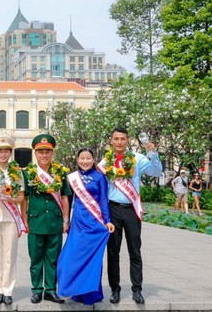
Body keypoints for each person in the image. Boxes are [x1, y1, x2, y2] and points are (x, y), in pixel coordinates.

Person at [101, 127, 162, 304]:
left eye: (122, 139)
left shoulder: (136, 158)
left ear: (127, 140)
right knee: (113, 252)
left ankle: (137, 289)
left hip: (131, 210)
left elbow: (156, 172)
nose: (119, 142)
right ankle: (115, 289)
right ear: (111, 141)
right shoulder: (105, 162)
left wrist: (153, 153)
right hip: (113, 210)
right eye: (116, 139)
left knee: (135, 251)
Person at [57, 148, 115, 305]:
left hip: (95, 223)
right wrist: (66, 220)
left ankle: (90, 293)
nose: (85, 161)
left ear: (93, 159)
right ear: (77, 159)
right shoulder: (72, 178)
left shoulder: (100, 177)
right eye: (82, 158)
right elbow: (67, 200)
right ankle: (73, 289)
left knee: (93, 258)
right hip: (78, 222)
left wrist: (107, 220)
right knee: (71, 256)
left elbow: (103, 199)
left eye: (88, 158)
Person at [22, 134, 71, 304]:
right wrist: (24, 219)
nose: (44, 155)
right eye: (41, 151)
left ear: (52, 153)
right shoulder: (28, 174)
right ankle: (36, 290)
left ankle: (50, 290)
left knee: (53, 258)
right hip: (35, 222)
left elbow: (65, 197)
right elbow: (24, 198)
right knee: (36, 258)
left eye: (47, 151)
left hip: (55, 222)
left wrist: (66, 220)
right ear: (35, 153)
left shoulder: (60, 172)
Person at [0, 135, 26, 306]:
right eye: (0, 151)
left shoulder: (17, 172)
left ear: (10, 153)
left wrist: (11, 198)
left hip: (10, 217)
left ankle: (8, 290)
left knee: (10, 255)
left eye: (6, 151)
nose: (3, 154)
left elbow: (22, 197)